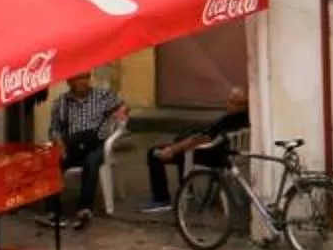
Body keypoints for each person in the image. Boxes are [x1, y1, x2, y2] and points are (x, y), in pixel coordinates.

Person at [139, 88, 251, 215]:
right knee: (182, 148)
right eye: (228, 100)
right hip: (221, 154)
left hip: (209, 154)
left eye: (232, 102)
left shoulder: (231, 120)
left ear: (243, 106)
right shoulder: (245, 119)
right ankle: (187, 189)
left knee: (154, 153)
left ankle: (161, 199)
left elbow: (201, 139)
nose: (228, 104)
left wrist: (172, 149)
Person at [47, 70, 125, 229]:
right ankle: (53, 211)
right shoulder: (61, 103)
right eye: (79, 78)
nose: (83, 81)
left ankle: (84, 209)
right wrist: (60, 145)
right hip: (72, 145)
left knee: (92, 161)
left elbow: (123, 106)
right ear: (69, 81)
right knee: (51, 161)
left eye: (86, 77)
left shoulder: (102, 96)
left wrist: (121, 113)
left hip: (96, 144)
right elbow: (54, 129)